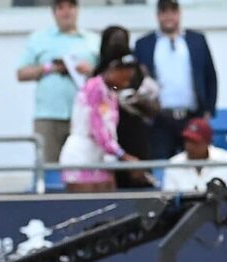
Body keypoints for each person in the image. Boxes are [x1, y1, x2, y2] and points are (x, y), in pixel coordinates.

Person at [17, 0, 99, 168]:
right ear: (53, 12)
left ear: (77, 10)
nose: (66, 12)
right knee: (49, 167)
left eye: (70, 7)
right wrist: (50, 67)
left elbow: (106, 76)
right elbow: (21, 73)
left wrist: (89, 70)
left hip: (84, 116)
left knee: (84, 168)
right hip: (49, 114)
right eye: (60, 8)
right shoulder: (39, 38)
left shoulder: (92, 40)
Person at [135, 0, 217, 161]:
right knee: (161, 164)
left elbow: (210, 76)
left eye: (172, 12)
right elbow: (137, 80)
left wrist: (208, 110)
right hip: (159, 119)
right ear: (158, 15)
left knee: (195, 162)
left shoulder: (197, 41)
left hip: (192, 116)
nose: (168, 17)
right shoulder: (144, 44)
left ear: (179, 13)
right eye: (164, 12)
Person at [60, 54, 140, 192]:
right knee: (85, 207)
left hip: (101, 156)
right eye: (125, 78)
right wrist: (123, 156)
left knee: (109, 207)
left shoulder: (111, 92)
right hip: (81, 155)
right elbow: (98, 130)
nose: (127, 83)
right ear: (112, 70)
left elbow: (110, 130)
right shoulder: (95, 89)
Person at [98, 26, 159, 190]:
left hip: (135, 136)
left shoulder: (137, 70)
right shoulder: (97, 77)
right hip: (108, 141)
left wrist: (137, 100)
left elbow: (154, 108)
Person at [161, 116, 227, 193]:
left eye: (194, 142)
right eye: (187, 140)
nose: (189, 146)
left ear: (208, 142)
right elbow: (169, 200)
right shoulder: (173, 164)